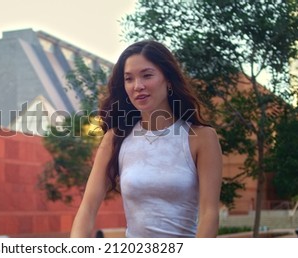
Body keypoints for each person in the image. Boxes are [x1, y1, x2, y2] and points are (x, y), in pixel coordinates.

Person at [70, 40, 222, 238]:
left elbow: (209, 213)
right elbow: (88, 207)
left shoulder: (201, 138)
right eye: (129, 79)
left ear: (168, 79)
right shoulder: (115, 139)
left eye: (147, 75)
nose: (138, 86)